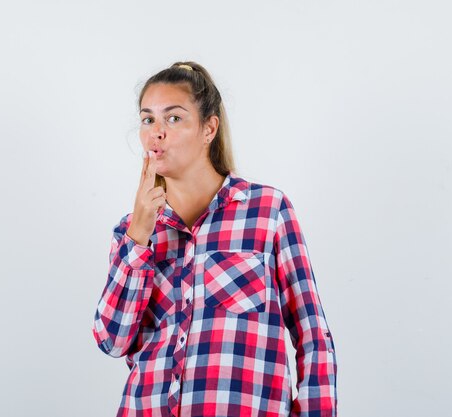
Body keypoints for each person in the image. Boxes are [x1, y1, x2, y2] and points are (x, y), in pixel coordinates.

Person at [92, 61, 337, 417]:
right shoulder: (132, 231)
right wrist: (139, 236)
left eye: (173, 118)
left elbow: (312, 335)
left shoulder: (267, 211)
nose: (155, 132)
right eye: (148, 119)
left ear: (209, 128)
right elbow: (111, 341)